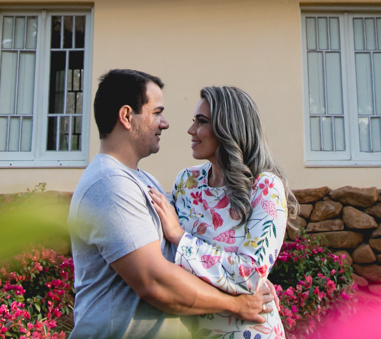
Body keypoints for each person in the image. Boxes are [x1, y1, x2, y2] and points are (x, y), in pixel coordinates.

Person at [69, 69, 274, 339]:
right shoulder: (109, 185)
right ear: (127, 116)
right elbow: (154, 282)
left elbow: (187, 251)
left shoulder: (144, 181)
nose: (164, 123)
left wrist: (248, 281)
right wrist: (236, 303)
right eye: (156, 113)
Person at [146, 86, 294, 339]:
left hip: (250, 330)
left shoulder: (265, 188)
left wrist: (181, 239)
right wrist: (234, 278)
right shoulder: (187, 182)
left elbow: (249, 275)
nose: (191, 130)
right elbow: (166, 259)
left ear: (228, 128)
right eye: (194, 121)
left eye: (201, 122)